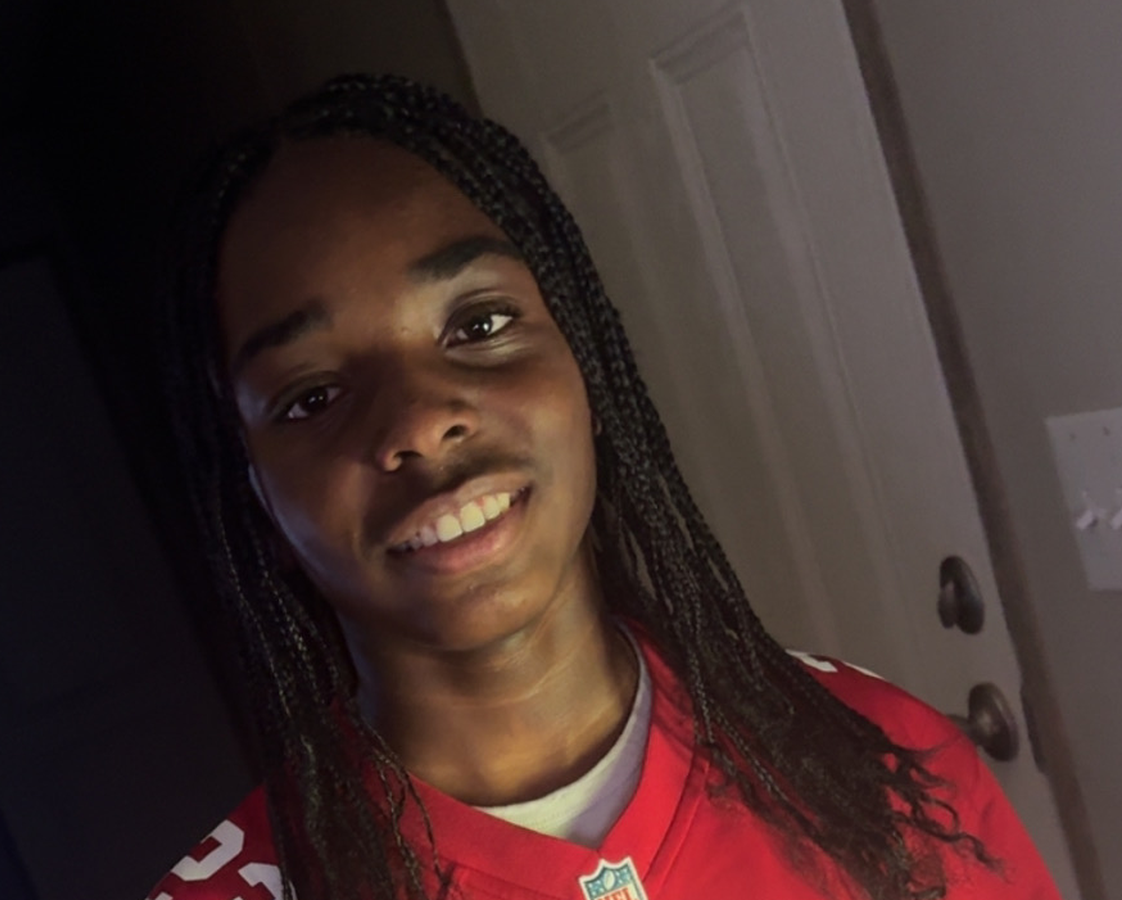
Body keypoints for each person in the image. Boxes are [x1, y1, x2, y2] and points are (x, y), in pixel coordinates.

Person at [148, 73, 1060, 900]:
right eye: (312, 397)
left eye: (480, 324)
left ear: (586, 367)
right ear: (255, 498)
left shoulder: (879, 763)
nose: (419, 422)